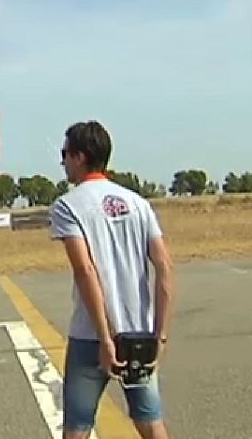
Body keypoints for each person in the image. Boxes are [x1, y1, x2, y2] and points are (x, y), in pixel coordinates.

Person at [49, 120, 175, 439]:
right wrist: (160, 336)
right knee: (150, 421)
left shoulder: (68, 206)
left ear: (80, 157)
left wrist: (106, 340)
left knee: (77, 427)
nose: (62, 161)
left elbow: (85, 270)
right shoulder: (138, 204)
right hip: (140, 335)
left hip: (92, 337)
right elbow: (164, 267)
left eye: (65, 153)